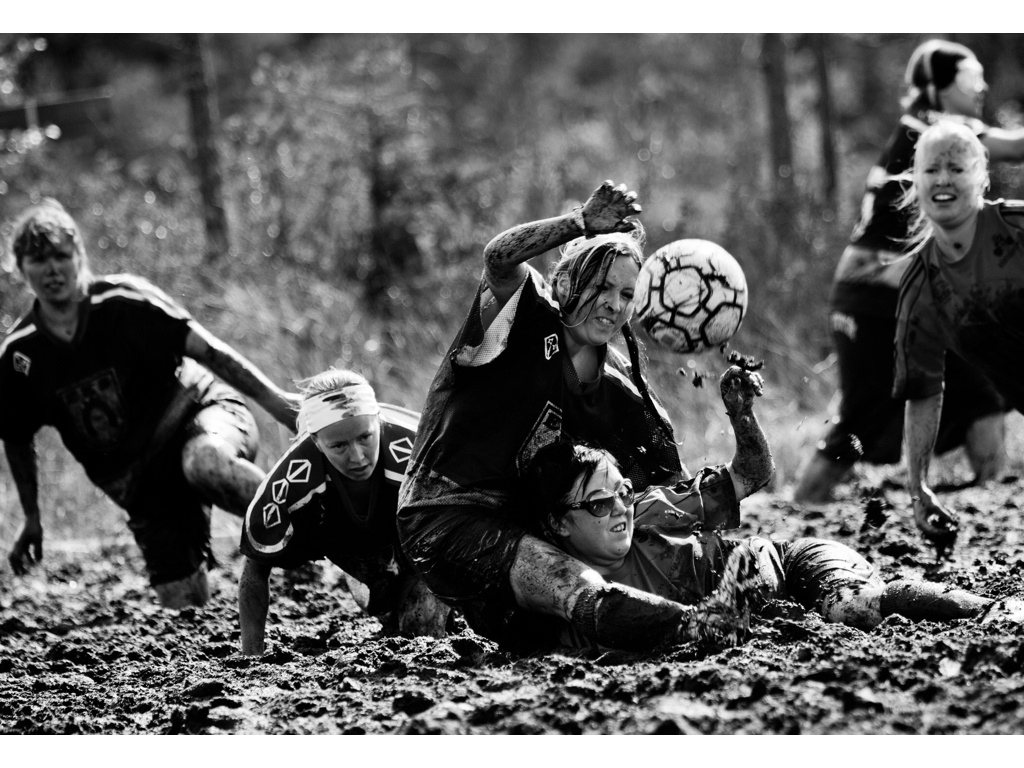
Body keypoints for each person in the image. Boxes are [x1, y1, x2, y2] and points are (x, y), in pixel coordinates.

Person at [398, 180, 770, 654]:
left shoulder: (622, 389)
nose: (615, 304)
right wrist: (578, 222)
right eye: (603, 287)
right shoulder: (527, 318)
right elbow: (499, 258)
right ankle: (699, 630)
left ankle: (690, 617)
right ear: (566, 283)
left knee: (565, 608)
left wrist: (741, 417)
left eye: (627, 294)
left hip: (535, 528)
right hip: (444, 516)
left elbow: (679, 490)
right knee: (569, 582)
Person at [526, 367, 1013, 651]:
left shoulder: (654, 511)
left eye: (623, 492)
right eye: (599, 503)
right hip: (738, 621)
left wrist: (741, 415)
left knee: (854, 605)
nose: (621, 510)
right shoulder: (563, 595)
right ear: (558, 524)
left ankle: (998, 611)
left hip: (789, 565)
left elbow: (753, 474)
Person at [1, 198, 300, 608]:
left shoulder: (125, 302)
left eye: (61, 256)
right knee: (183, 604)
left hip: (198, 417)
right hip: (142, 484)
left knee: (205, 463)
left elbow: (211, 352)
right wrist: (32, 518)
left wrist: (278, 405)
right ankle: (191, 535)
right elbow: (16, 437)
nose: (52, 269)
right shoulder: (20, 354)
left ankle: (307, 529)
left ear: (79, 256)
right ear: (20, 269)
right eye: (38, 260)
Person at [795, 39, 1024, 504]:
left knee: (982, 397)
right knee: (858, 425)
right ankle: (799, 506)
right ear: (938, 87)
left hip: (885, 292)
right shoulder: (939, 129)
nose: (981, 86)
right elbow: (1019, 146)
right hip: (876, 296)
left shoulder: (918, 125)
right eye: (971, 77)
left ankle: (991, 510)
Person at [237, 368, 451, 656]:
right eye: (339, 446)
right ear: (316, 442)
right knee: (386, 605)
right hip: (360, 553)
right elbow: (255, 565)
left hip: (425, 541)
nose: (358, 457)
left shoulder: (422, 454)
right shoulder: (287, 485)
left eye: (365, 437)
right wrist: (251, 656)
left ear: (379, 422)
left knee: (421, 625)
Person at [894, 120, 1024, 557]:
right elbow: (922, 391)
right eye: (932, 170)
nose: (943, 179)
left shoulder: (1016, 228)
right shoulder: (921, 287)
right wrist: (918, 488)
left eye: (956, 168)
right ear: (915, 182)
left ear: (981, 177)